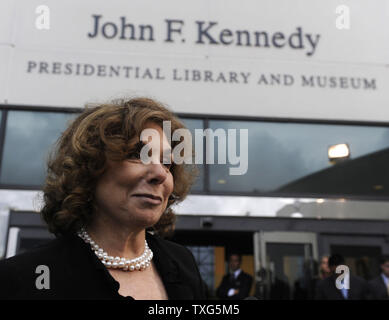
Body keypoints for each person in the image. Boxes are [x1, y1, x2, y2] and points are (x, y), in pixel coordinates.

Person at [0, 97, 207, 300]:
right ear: (89, 168)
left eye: (166, 163)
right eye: (137, 154)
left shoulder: (183, 263)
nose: (160, 173)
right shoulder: (24, 277)